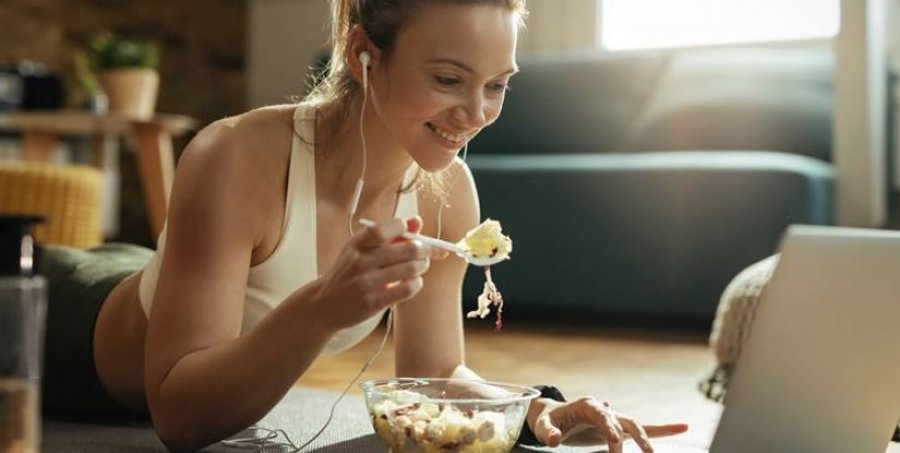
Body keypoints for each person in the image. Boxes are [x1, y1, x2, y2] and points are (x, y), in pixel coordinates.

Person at [40, 0, 689, 451]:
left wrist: (533, 408)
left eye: (497, 85)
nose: (475, 113)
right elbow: (178, 415)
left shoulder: (446, 191)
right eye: (447, 79)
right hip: (61, 315)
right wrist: (325, 305)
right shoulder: (235, 156)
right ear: (361, 53)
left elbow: (437, 369)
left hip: (142, 274)